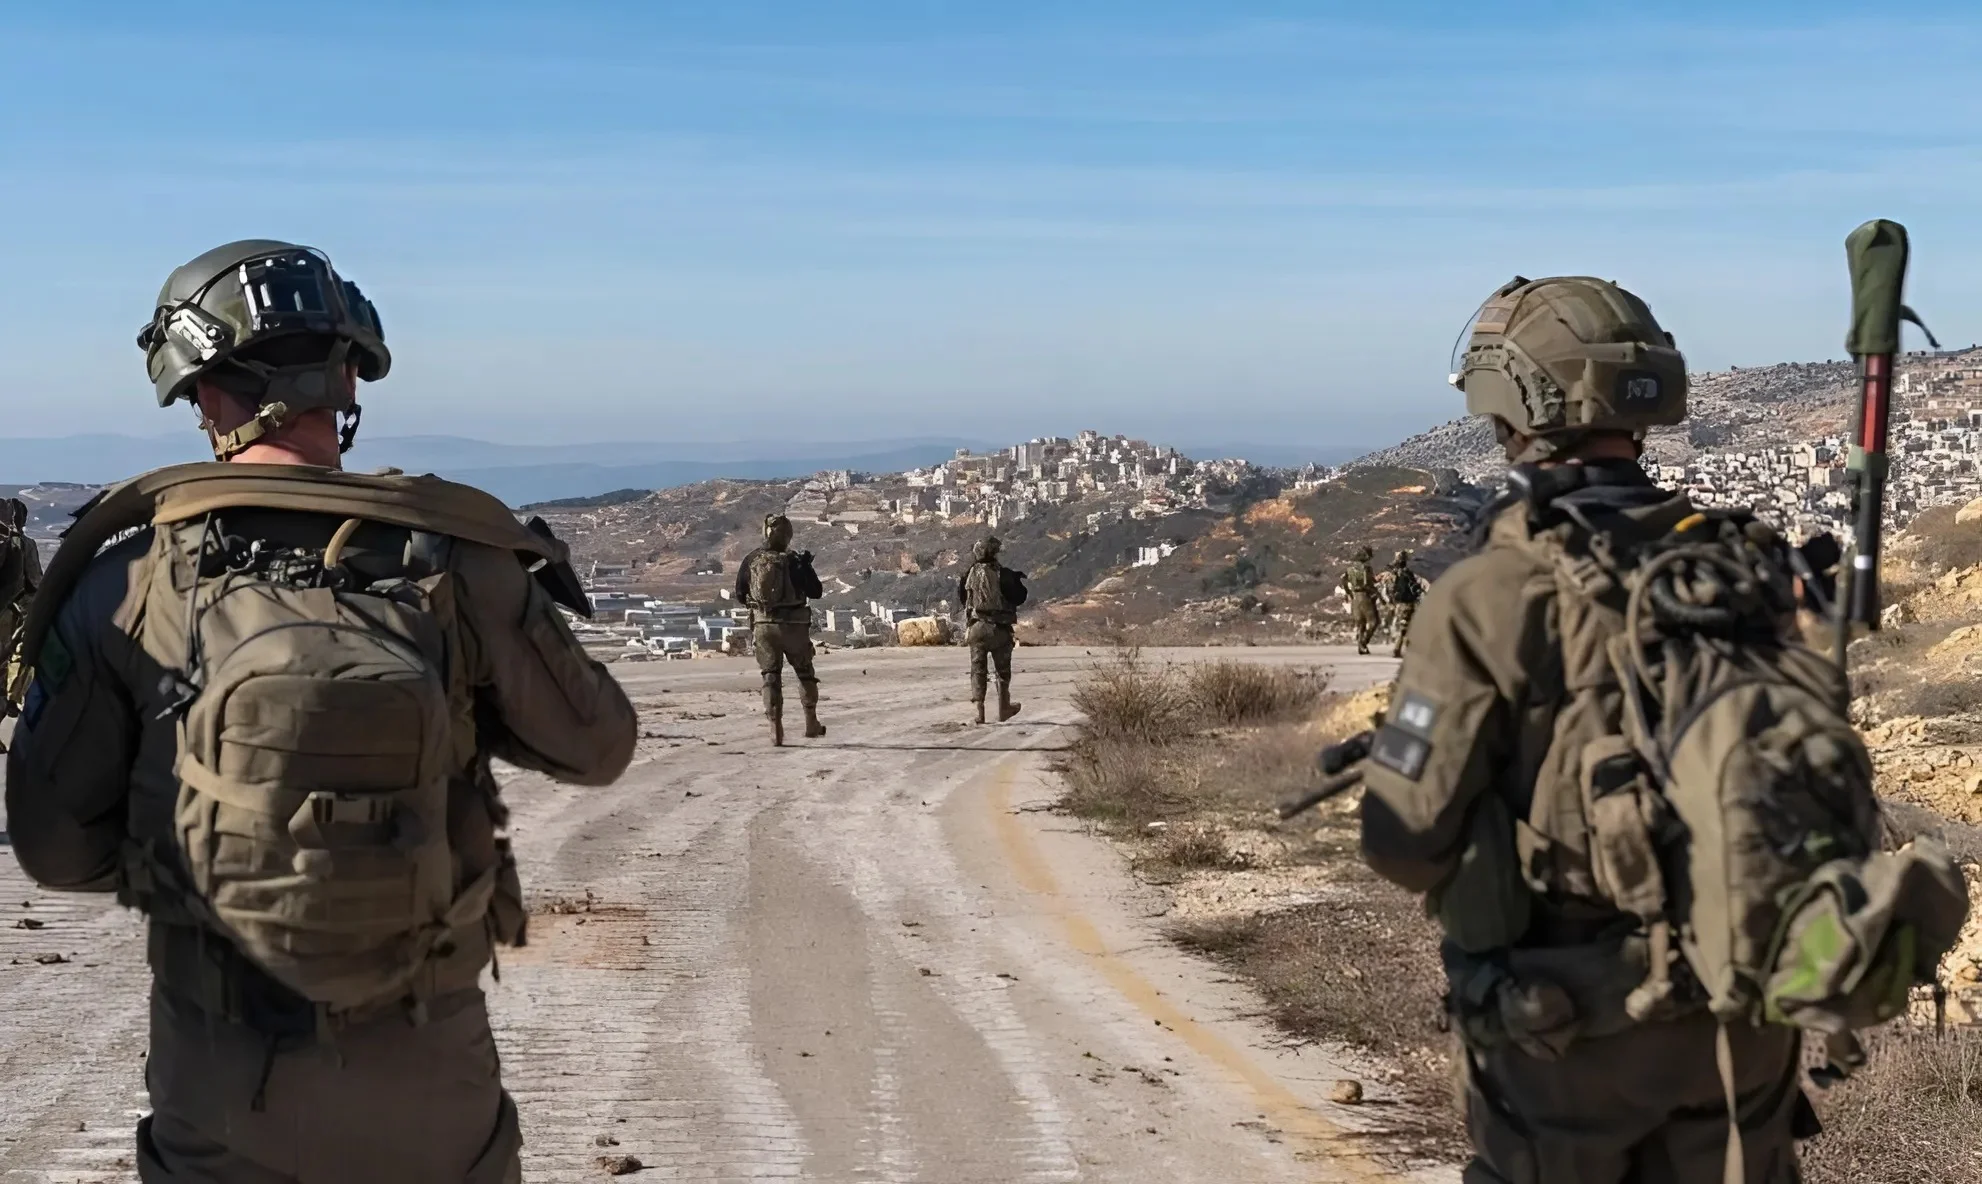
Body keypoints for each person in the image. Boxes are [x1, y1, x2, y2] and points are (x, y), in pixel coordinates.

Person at [5, 239, 638, 1184]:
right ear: (348, 378)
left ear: (206, 396)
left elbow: (55, 850)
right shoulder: (460, 555)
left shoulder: (124, 578)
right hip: (431, 1077)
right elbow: (600, 749)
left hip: (222, 1080)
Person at [1357, 276, 1815, 1183]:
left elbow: (1405, 842)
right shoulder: (1742, 566)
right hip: (1745, 1015)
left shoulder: (1488, 594)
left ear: (1512, 397)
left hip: (1570, 1033)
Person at [735, 514, 825, 745]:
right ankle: (811, 722)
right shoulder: (794, 560)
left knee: (770, 676)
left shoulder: (752, 559)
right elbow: (816, 591)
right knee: (805, 674)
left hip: (764, 626)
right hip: (794, 626)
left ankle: (775, 727)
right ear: (788, 535)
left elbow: (739, 594)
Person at [957, 535, 1027, 723]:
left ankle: (979, 711)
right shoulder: (1003, 574)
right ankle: (1004, 707)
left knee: (977, 669)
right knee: (1002, 671)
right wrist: (1017, 579)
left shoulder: (968, 575)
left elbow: (964, 599)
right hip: (999, 629)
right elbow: (1019, 597)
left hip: (977, 628)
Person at [0, 497, 41, 710]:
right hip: (15, 609)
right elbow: (34, 580)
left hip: (10, 608)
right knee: (14, 658)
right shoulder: (25, 544)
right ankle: (12, 697)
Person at [1383, 549, 1423, 659]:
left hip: (1399, 604)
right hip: (1407, 603)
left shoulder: (1395, 574)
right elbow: (1414, 587)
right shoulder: (1407, 573)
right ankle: (1399, 649)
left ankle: (1402, 648)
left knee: (1404, 626)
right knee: (1406, 627)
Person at [1339, 545, 1378, 655]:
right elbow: (1370, 583)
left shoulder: (1349, 569)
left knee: (1361, 624)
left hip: (1355, 597)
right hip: (1365, 596)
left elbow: (1343, 580)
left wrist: (1349, 592)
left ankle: (1361, 646)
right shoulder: (1367, 568)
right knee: (1373, 622)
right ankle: (1363, 642)